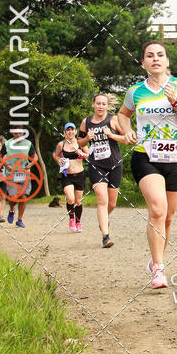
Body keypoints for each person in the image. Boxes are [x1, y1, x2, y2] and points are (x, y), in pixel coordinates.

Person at [117, 41, 177, 288]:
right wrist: (127, 130)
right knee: (158, 210)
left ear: (167, 61)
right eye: (150, 56)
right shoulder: (135, 91)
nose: (155, 59)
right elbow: (122, 114)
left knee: (169, 217)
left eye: (160, 55)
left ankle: (156, 261)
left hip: (175, 156)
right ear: (143, 63)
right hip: (145, 156)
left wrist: (176, 103)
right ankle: (159, 270)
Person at [77, 93, 126, 248]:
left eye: (103, 104)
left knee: (111, 204)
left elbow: (127, 138)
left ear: (107, 105)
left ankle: (103, 220)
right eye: (98, 103)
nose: (100, 106)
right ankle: (106, 236)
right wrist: (87, 138)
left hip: (114, 164)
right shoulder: (86, 122)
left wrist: (111, 134)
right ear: (93, 104)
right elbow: (80, 142)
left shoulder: (113, 120)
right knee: (102, 199)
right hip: (96, 164)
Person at [53, 122, 89, 232]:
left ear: (75, 132)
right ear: (64, 133)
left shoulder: (81, 144)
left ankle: (78, 222)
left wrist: (82, 154)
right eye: (68, 130)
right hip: (67, 176)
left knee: (78, 201)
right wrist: (59, 160)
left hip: (79, 175)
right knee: (70, 198)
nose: (70, 132)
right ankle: (71, 219)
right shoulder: (61, 144)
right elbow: (55, 154)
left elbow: (89, 156)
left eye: (72, 129)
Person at [0, 128, 37, 228]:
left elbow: (35, 156)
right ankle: (11, 210)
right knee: (13, 197)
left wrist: (31, 164)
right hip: (11, 174)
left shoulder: (28, 143)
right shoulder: (7, 144)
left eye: (20, 133)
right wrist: (6, 165)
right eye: (16, 133)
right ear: (12, 133)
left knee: (23, 197)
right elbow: (0, 157)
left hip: (25, 173)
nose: (18, 135)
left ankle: (20, 220)